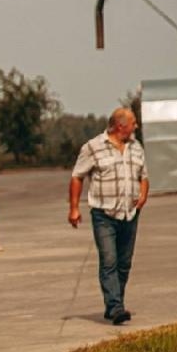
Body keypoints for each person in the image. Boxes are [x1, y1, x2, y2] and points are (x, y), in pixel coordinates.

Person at [69, 107, 148, 324]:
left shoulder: (136, 147)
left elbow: (144, 176)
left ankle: (115, 303)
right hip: (104, 213)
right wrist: (74, 208)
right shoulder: (93, 147)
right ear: (121, 126)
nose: (136, 126)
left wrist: (143, 195)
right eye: (133, 123)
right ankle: (115, 307)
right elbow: (77, 177)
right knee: (109, 260)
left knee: (124, 262)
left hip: (130, 213)